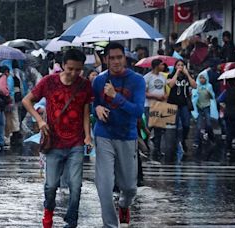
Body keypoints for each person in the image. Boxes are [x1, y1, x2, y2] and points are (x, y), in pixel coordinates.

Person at [22, 49, 92, 228]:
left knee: (76, 186)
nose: (75, 73)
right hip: (53, 142)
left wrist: (88, 137)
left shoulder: (84, 85)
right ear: (62, 65)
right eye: (71, 69)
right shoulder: (48, 82)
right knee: (51, 185)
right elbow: (26, 101)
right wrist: (39, 121)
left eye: (78, 70)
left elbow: (86, 112)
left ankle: (71, 221)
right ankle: (48, 211)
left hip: (76, 142)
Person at [92, 42, 145, 227]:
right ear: (105, 59)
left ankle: (124, 205)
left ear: (125, 58)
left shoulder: (137, 80)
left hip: (127, 136)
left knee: (130, 188)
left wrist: (116, 97)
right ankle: (110, 225)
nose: (115, 62)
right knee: (104, 187)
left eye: (119, 57)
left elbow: (138, 111)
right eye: (111, 58)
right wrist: (97, 108)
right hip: (104, 134)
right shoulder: (99, 80)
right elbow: (93, 104)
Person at [167, 60, 197, 156]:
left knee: (186, 124)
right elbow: (171, 85)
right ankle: (176, 143)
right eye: (178, 65)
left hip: (184, 103)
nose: (180, 66)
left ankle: (183, 140)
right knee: (175, 125)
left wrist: (187, 74)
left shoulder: (186, 77)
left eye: (182, 65)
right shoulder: (171, 76)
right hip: (173, 103)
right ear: (175, 66)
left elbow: (194, 86)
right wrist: (177, 73)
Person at [144, 59, 167, 161]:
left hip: (160, 106)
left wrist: (164, 98)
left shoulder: (163, 77)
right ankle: (144, 147)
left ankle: (157, 149)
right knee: (148, 127)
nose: (163, 66)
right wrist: (155, 96)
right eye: (162, 65)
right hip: (149, 105)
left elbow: (165, 90)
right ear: (156, 66)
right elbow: (144, 92)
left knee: (159, 128)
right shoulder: (147, 77)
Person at [191, 72, 218, 151]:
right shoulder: (196, 86)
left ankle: (211, 137)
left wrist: (208, 92)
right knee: (199, 126)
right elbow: (194, 96)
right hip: (199, 108)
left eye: (203, 78)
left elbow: (212, 96)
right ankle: (196, 142)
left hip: (207, 107)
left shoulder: (209, 86)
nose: (202, 80)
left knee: (209, 124)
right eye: (200, 78)